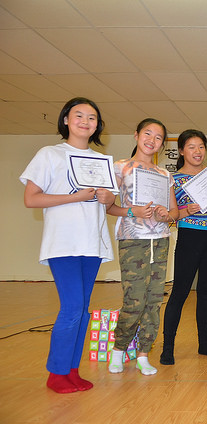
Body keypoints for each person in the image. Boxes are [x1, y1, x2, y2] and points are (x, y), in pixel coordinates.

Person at [20, 97, 115, 394]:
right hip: (63, 244)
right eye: (79, 115)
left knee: (83, 311)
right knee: (72, 308)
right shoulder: (50, 154)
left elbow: (108, 202)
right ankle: (56, 373)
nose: (86, 121)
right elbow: (31, 198)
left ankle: (72, 370)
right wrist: (75, 197)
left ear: (97, 125)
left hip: (92, 244)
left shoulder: (101, 160)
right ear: (66, 120)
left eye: (92, 117)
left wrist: (107, 198)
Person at [107, 118, 179, 376]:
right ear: (136, 135)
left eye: (158, 137)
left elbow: (175, 212)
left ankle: (143, 354)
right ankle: (118, 350)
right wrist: (132, 211)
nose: (152, 140)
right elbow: (107, 206)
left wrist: (165, 215)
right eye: (148, 134)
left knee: (154, 300)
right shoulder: (120, 168)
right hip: (132, 239)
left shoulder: (165, 175)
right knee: (134, 299)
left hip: (160, 240)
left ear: (162, 144)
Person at [160, 129, 207, 365]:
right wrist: (185, 210)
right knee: (180, 292)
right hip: (190, 237)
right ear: (181, 151)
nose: (197, 151)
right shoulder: (173, 179)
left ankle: (204, 344)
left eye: (201, 146)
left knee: (206, 293)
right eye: (191, 147)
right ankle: (167, 348)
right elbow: (169, 215)